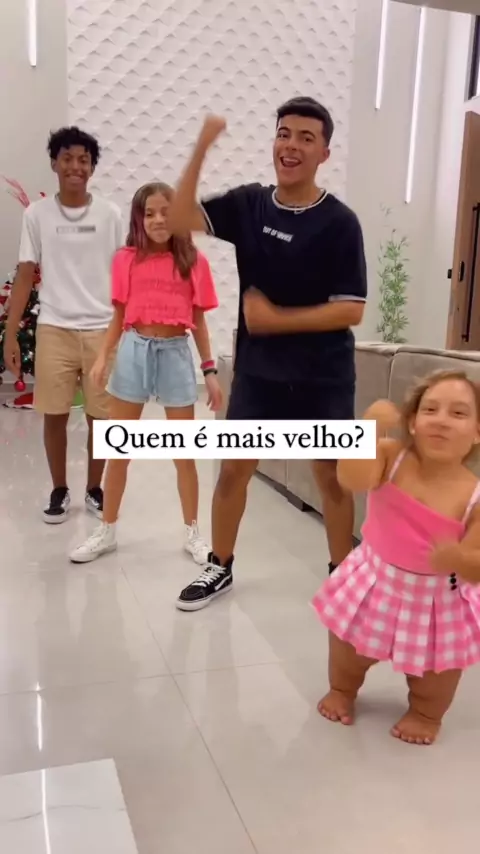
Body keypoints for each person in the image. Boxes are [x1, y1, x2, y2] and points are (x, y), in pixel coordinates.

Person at [168, 96, 368, 611]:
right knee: (234, 469)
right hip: (260, 373)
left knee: (331, 476)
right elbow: (180, 216)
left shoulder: (340, 222)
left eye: (306, 137)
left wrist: (277, 320)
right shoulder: (250, 204)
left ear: (324, 153)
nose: (291, 145)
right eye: (284, 134)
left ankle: (343, 575)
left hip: (323, 374)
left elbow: (351, 309)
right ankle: (220, 565)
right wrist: (203, 145)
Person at [312, 370, 480, 746]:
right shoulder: (392, 456)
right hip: (375, 580)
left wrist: (459, 558)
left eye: (458, 413)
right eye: (430, 409)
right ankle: (342, 689)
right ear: (413, 422)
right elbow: (351, 479)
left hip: (437, 600)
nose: (441, 419)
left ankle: (425, 713)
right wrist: (369, 430)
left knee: (438, 673)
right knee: (346, 648)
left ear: (477, 432)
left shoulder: (474, 496)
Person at [69, 181, 222, 564]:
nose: (157, 220)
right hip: (134, 351)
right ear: (138, 219)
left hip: (175, 355)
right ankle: (107, 530)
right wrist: (103, 358)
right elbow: (119, 315)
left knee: (184, 453)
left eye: (165, 213)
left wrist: (209, 370)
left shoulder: (193, 261)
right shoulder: (126, 259)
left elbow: (199, 322)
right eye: (149, 213)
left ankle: (193, 533)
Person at [3, 126, 124, 523]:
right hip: (54, 327)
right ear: (55, 164)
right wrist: (10, 334)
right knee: (54, 415)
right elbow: (25, 274)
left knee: (100, 418)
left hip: (102, 329)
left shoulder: (110, 214)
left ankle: (94, 488)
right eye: (67, 158)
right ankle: (59, 488)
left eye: (83, 160)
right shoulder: (37, 214)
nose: (76, 166)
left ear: (92, 167)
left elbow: (123, 273)